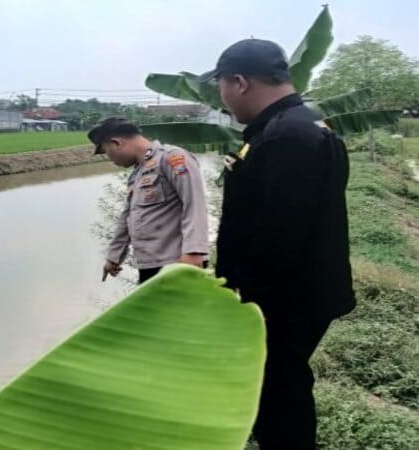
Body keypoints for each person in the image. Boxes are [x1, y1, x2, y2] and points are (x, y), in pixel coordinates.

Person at [199, 39, 356, 449]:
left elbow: (280, 234)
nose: (222, 98)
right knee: (280, 385)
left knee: (279, 391)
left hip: (285, 299)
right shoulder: (300, 125)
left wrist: (253, 303)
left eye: (221, 86)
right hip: (297, 293)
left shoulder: (287, 136)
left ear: (239, 82)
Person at [89, 117, 209, 284]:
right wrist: (114, 256)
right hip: (150, 264)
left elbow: (195, 204)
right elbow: (128, 216)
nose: (111, 160)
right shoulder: (138, 172)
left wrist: (194, 252)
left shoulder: (171, 158)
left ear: (117, 143)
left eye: (107, 152)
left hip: (177, 262)